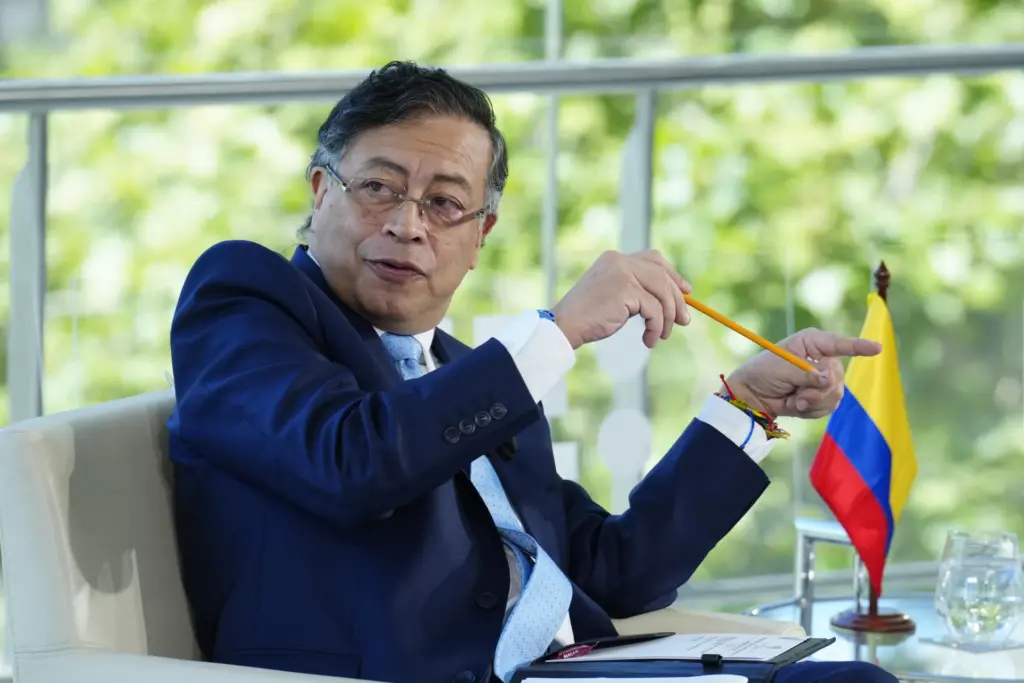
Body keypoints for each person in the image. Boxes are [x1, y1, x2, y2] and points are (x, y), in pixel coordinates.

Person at [168, 61, 897, 683]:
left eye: (445, 203)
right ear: (322, 190)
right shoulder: (244, 300)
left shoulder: (464, 375)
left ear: (481, 235)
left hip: (577, 665)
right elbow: (352, 459)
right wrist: (560, 330)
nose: (407, 224)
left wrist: (745, 406)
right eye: (378, 187)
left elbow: (615, 570)